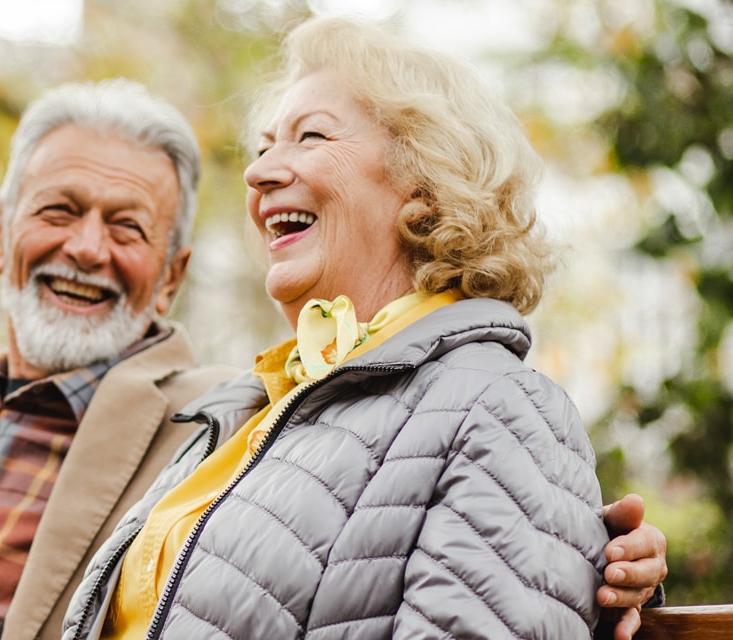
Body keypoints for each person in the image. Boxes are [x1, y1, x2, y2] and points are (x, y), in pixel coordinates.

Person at [0, 78, 664, 640]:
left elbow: (447, 509)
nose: (86, 249)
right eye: (59, 211)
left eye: (127, 227)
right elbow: (2, 571)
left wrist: (607, 557)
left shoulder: (216, 419)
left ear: (173, 274)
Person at [59, 17, 662, 640]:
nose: (258, 172)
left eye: (310, 136)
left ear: (423, 185)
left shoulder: (502, 405)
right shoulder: (256, 408)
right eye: (265, 146)